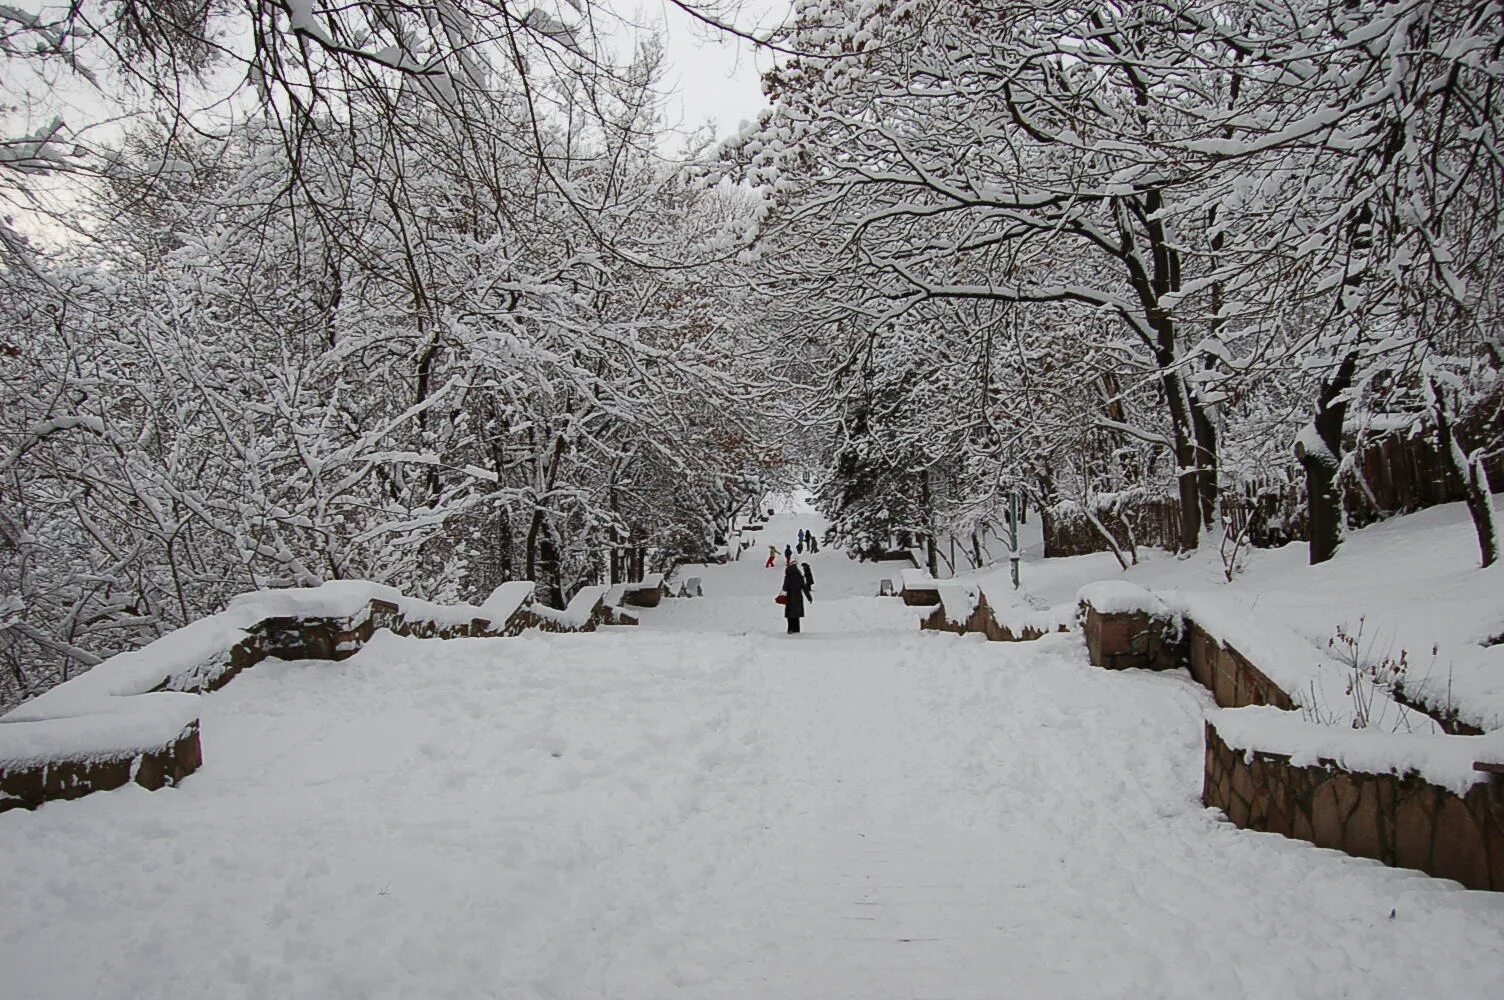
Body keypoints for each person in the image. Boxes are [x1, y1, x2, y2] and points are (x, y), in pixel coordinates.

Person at [780, 558, 813, 634]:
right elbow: (804, 588)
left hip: (790, 598)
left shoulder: (788, 577)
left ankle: (790, 629)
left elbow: (784, 588)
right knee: (796, 616)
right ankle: (797, 630)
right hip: (798, 598)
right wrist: (809, 597)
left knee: (790, 615)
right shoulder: (800, 577)